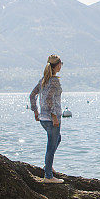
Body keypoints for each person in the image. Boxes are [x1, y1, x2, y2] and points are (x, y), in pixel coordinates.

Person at [30, 54, 64, 183]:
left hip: (43, 119)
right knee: (51, 146)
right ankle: (48, 176)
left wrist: (36, 112)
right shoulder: (54, 80)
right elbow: (49, 99)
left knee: (57, 139)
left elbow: (32, 95)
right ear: (58, 65)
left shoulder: (43, 80)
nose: (61, 66)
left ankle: (47, 166)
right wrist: (54, 116)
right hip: (51, 119)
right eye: (61, 63)